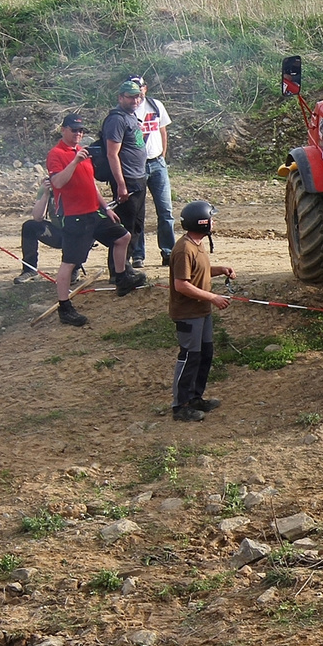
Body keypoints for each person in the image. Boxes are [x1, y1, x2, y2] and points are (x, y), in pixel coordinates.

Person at [48, 113, 143, 326]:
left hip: (93, 212)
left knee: (123, 237)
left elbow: (90, 183)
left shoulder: (82, 152)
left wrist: (105, 208)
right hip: (74, 216)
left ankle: (121, 278)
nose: (78, 134)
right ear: (63, 130)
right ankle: (64, 307)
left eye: (81, 131)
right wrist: (74, 162)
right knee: (70, 261)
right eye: (74, 130)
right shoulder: (56, 154)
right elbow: (58, 183)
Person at [168, 200, 234, 421]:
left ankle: (195, 397)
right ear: (202, 223)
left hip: (202, 312)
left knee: (204, 355)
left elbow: (199, 272)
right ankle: (180, 406)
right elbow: (182, 285)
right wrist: (213, 297)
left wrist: (220, 269)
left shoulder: (197, 244)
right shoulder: (184, 249)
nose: (214, 222)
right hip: (189, 314)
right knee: (189, 357)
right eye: (211, 218)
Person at [17, 116, 77, 285]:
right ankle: (29, 269)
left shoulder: (77, 183)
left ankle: (74, 268)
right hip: (58, 232)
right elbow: (37, 217)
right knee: (29, 226)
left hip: (77, 230)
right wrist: (45, 193)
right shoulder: (48, 185)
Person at [102, 80, 150, 275]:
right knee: (125, 227)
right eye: (130, 97)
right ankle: (117, 271)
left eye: (137, 96)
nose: (135, 100)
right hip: (127, 180)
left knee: (137, 225)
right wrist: (121, 185)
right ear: (120, 97)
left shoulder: (131, 116)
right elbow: (112, 154)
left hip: (139, 178)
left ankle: (126, 266)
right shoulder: (117, 119)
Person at [128, 75, 175, 269]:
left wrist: (162, 156)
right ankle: (138, 255)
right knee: (137, 213)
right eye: (133, 89)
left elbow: (163, 131)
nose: (137, 93)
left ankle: (169, 252)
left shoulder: (156, 105)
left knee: (165, 211)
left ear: (145, 89)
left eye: (139, 88)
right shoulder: (125, 111)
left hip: (157, 163)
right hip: (136, 166)